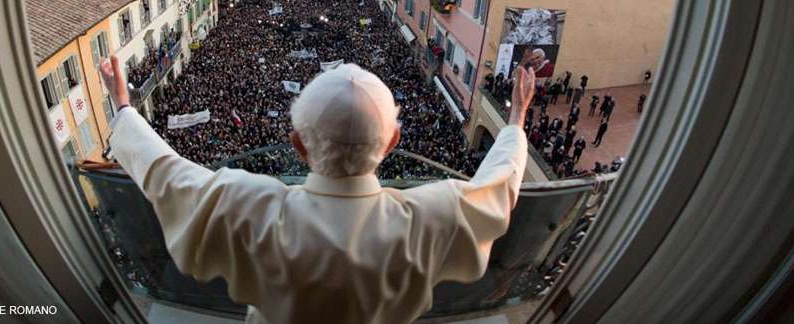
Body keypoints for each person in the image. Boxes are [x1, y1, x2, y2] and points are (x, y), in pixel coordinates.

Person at [100, 56, 535, 324]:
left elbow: (165, 173)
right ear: (392, 143)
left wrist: (124, 110)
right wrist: (514, 123)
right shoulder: (434, 216)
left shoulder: (245, 206)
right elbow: (498, 189)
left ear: (297, 144)